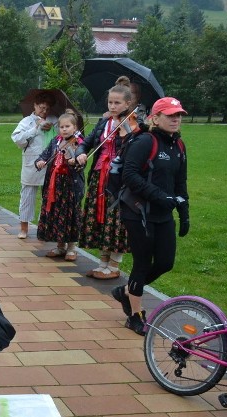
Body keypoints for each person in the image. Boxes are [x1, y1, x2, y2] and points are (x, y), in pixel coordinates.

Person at [114, 97, 189, 335]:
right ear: (155, 118)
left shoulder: (179, 146)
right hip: (137, 212)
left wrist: (184, 212)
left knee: (166, 262)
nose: (175, 119)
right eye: (170, 115)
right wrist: (160, 197)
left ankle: (127, 291)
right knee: (142, 263)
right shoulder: (145, 141)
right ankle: (135, 315)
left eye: (178, 115)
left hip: (163, 213)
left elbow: (180, 181)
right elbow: (130, 175)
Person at [75, 76, 137, 280]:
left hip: (118, 180)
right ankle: (102, 263)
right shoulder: (104, 123)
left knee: (115, 219)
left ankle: (114, 264)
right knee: (99, 216)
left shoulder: (133, 125)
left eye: (117, 103)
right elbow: (87, 142)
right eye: (110, 102)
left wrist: (127, 134)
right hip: (98, 176)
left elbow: (136, 150)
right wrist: (81, 153)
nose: (112, 106)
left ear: (128, 103)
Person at [35, 110, 85, 261]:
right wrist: (40, 161)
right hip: (55, 184)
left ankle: (71, 248)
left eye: (67, 126)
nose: (64, 129)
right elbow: (44, 155)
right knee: (58, 214)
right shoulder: (55, 141)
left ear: (75, 128)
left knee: (70, 214)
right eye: (61, 127)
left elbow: (81, 165)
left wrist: (74, 162)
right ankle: (60, 246)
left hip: (70, 186)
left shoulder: (79, 143)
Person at [12, 92, 58, 239]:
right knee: (27, 195)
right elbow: (17, 139)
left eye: (47, 109)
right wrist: (35, 128)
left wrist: (54, 128)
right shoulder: (27, 121)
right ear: (35, 106)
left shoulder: (54, 120)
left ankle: (43, 227)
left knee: (48, 196)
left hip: (50, 163)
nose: (44, 111)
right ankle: (24, 227)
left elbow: (63, 136)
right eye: (41, 108)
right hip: (31, 163)